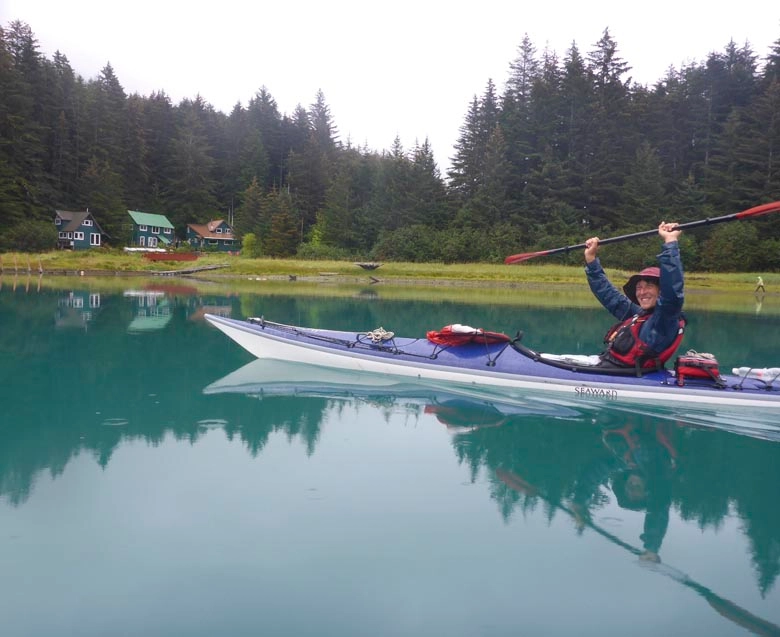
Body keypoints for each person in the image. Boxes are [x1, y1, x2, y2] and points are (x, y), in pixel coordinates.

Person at [584, 222, 685, 370]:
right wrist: (591, 259)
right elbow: (609, 296)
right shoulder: (640, 315)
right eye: (639, 288)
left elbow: (672, 290)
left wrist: (670, 242)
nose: (642, 292)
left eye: (649, 286)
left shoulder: (665, 318)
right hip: (610, 365)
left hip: (629, 375)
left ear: (661, 291)